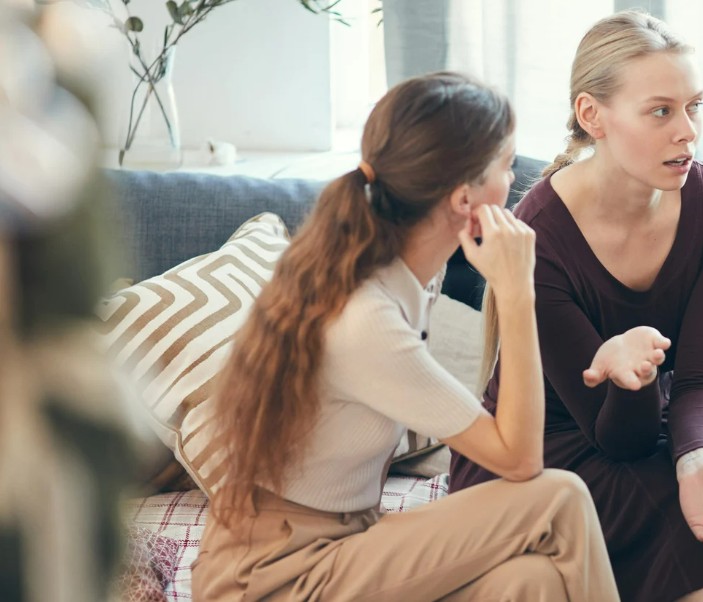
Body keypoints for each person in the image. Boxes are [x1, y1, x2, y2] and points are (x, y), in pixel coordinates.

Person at [190, 72, 619, 602]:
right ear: (465, 197)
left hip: (345, 543)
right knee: (561, 496)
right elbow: (520, 460)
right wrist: (516, 293)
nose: (514, 184)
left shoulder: (406, 273)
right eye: (508, 167)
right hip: (277, 576)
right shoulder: (364, 315)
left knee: (531, 583)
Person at [449, 11, 703, 602]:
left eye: (693, 106)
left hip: (648, 441)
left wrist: (697, 460)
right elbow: (610, 438)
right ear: (592, 115)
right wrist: (628, 376)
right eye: (660, 111)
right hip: (543, 459)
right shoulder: (537, 234)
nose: (688, 132)